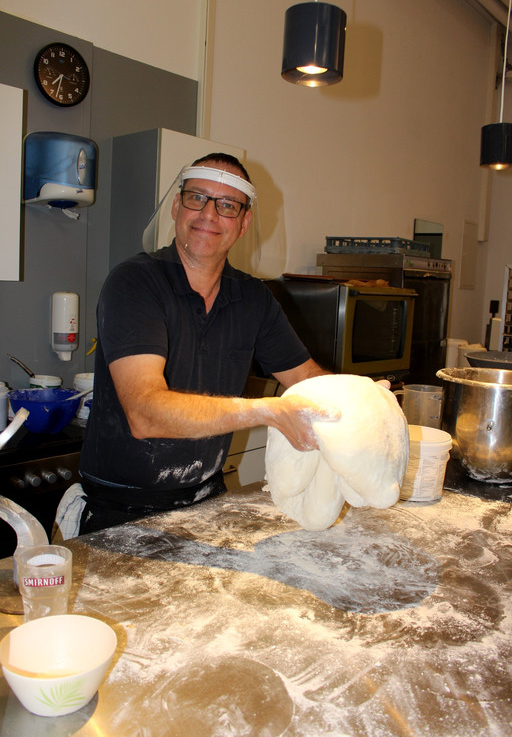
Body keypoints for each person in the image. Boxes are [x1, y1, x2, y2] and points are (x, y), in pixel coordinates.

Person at [78, 153, 339, 534]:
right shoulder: (135, 283)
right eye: (197, 197)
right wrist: (266, 411)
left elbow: (307, 379)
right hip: (120, 511)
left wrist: (360, 400)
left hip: (208, 500)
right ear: (176, 206)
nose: (208, 214)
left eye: (227, 205)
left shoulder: (253, 299)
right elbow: (145, 413)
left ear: (244, 223)